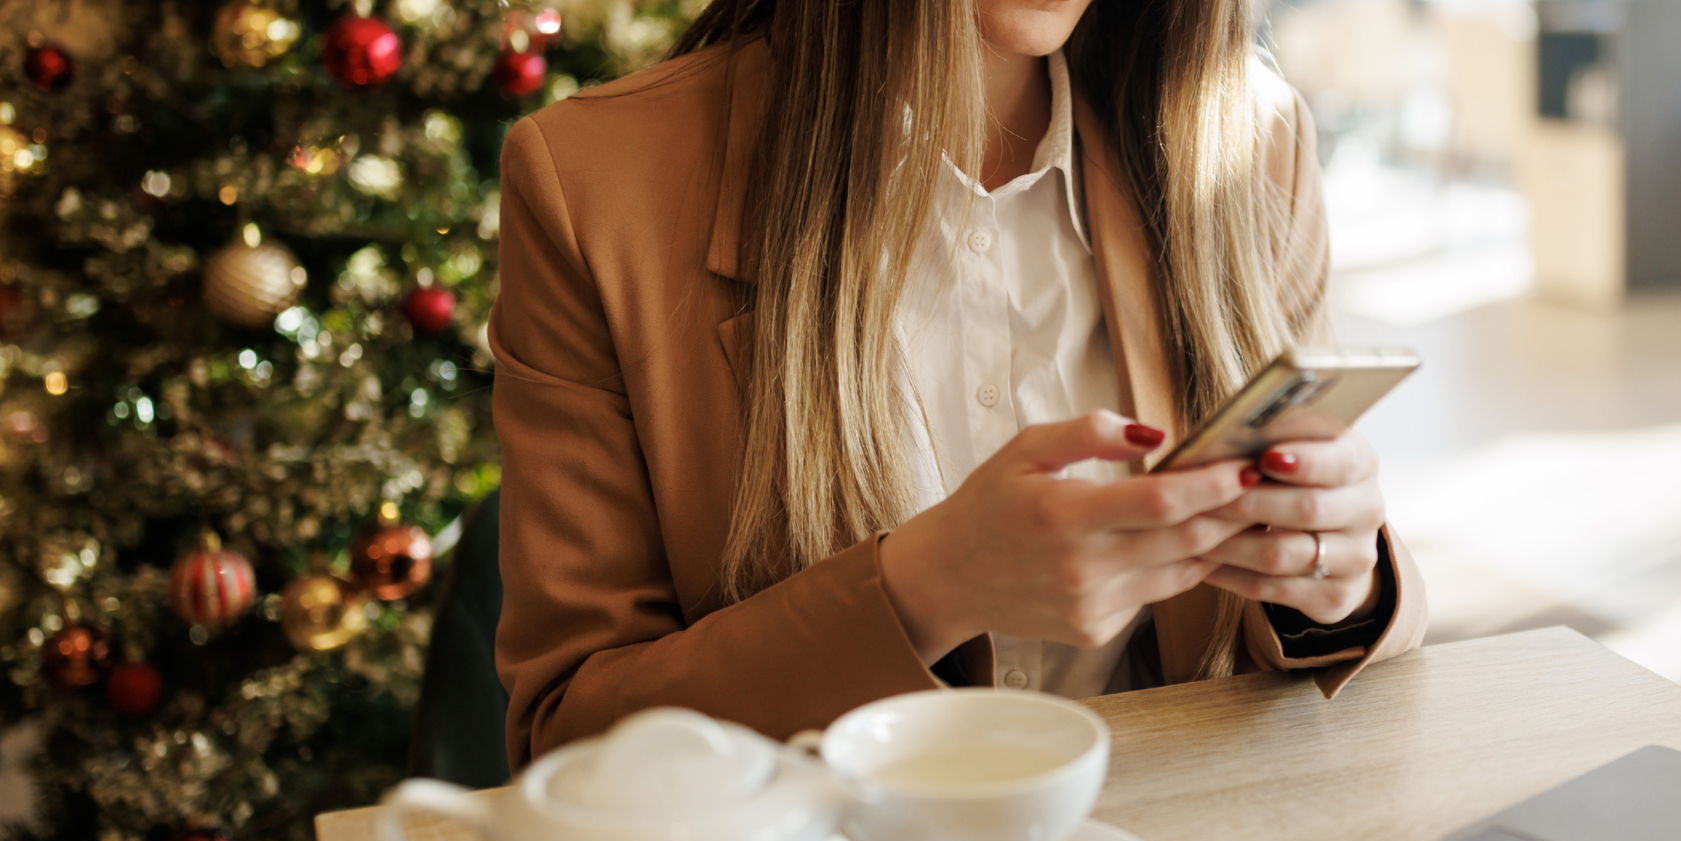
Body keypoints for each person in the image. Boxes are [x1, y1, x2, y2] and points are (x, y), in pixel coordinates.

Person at [489, 0, 1427, 770]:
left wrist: (1338, 580)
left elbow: (1336, 612)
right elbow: (571, 737)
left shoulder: (1249, 139)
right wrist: (923, 587)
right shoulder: (595, 186)